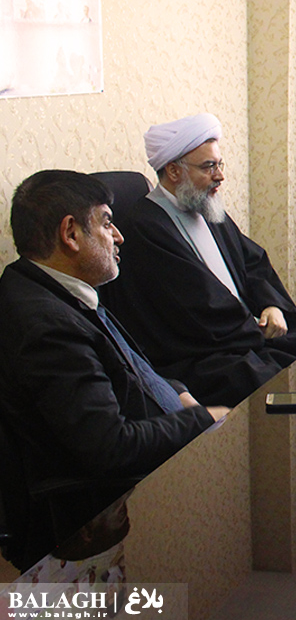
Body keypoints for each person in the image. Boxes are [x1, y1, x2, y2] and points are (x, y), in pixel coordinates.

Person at [0, 170, 228, 571]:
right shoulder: (47, 327)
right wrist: (200, 418)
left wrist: (175, 389)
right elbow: (111, 449)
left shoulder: (51, 284)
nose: (119, 236)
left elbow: (128, 363)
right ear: (71, 233)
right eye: (107, 222)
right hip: (84, 525)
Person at [98, 113, 296, 407]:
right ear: (174, 171)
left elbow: (252, 262)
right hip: (199, 355)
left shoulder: (205, 205)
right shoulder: (146, 227)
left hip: (241, 335)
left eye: (219, 164)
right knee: (274, 380)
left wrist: (271, 306)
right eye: (209, 167)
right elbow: (197, 306)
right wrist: (255, 326)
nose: (220, 176)